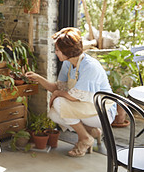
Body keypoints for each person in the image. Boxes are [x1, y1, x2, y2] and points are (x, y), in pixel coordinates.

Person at [25, 27, 116, 157]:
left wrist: (56, 94)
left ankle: (85, 138)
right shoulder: (68, 63)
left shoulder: (90, 66)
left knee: (59, 103)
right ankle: (91, 131)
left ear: (67, 51)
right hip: (87, 107)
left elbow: (71, 97)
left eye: (57, 50)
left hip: (103, 112)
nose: (55, 52)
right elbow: (59, 88)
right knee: (55, 114)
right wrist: (38, 78)